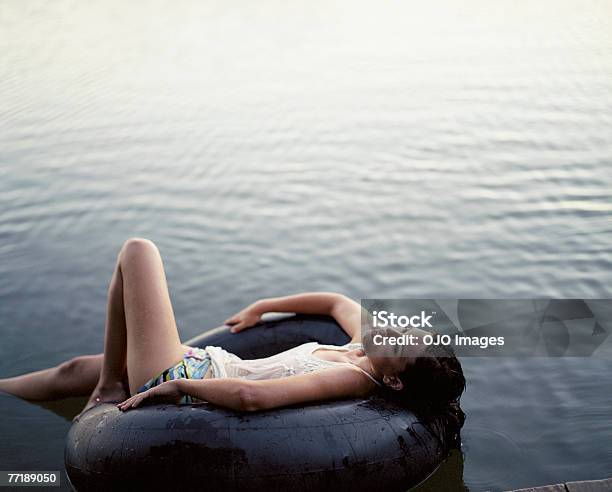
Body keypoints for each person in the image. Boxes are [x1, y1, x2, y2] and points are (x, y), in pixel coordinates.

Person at [0, 238, 466, 443]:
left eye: (401, 344)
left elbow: (249, 397)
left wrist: (180, 386)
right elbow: (334, 301)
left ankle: (106, 387)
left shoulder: (354, 377)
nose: (392, 330)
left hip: (183, 376)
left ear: (395, 381)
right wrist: (265, 305)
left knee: (139, 251)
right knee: (71, 370)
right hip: (203, 359)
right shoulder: (364, 347)